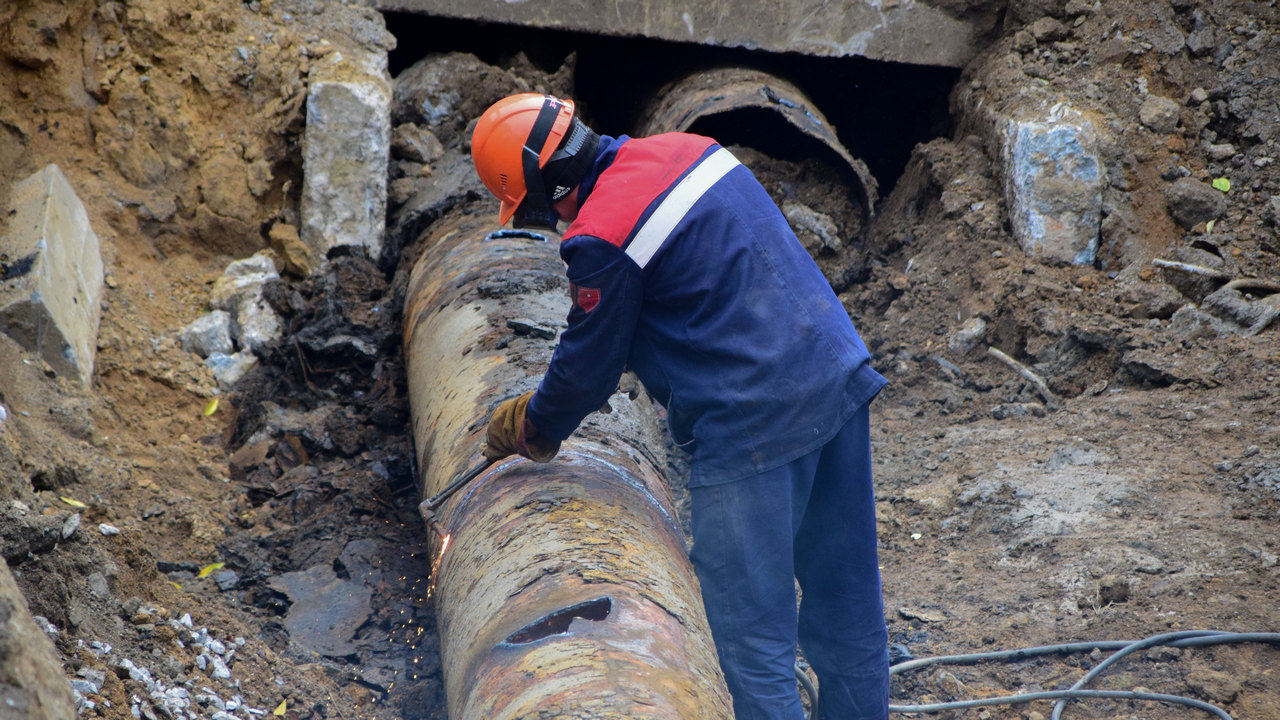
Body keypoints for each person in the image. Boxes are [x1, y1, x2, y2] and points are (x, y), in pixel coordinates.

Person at [470, 92, 890, 720]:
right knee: (846, 603)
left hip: (750, 425)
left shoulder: (602, 235)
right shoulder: (688, 150)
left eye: (539, 207)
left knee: (750, 639)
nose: (552, 220)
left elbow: (589, 366)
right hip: (834, 377)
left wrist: (533, 426)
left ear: (550, 182)